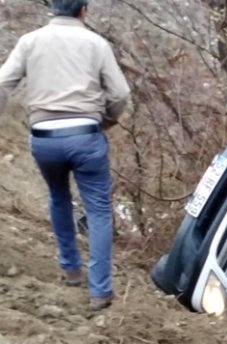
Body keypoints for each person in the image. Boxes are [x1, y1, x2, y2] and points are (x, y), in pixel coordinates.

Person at [0, 0, 130, 311]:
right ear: (84, 10)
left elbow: (3, 82)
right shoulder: (96, 43)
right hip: (85, 135)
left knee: (58, 196)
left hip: (44, 136)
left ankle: (71, 268)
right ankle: (100, 291)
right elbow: (121, 93)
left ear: (53, 8)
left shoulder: (29, 42)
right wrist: (107, 121)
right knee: (98, 209)